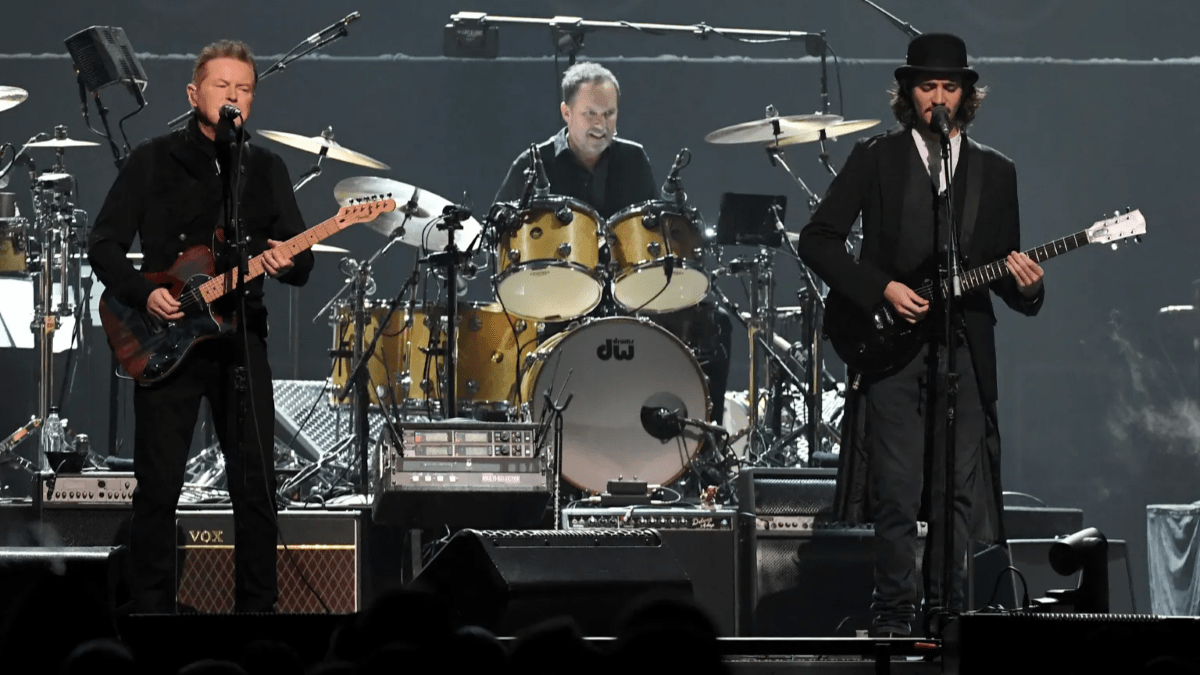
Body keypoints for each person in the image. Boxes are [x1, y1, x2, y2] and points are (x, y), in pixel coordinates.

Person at [796, 33, 1045, 636]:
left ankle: (947, 614)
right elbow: (819, 238)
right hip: (889, 346)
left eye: (950, 87)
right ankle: (894, 614)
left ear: (966, 95)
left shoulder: (995, 171)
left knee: (957, 495)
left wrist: (1030, 286)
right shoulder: (876, 159)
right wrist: (880, 289)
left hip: (962, 347)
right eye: (928, 87)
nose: (939, 98)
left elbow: (1009, 283)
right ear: (909, 93)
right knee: (898, 492)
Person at [89, 40, 315, 613]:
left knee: (256, 490)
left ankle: (257, 616)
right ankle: (151, 614)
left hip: (240, 341)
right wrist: (147, 293)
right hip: (165, 342)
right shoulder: (152, 160)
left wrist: (290, 260)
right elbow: (104, 245)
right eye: (222, 86)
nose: (234, 95)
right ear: (194, 94)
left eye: (244, 88)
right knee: (159, 490)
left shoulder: (265, 168)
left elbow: (300, 261)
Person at [494, 62, 732, 421]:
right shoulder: (533, 163)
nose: (600, 124)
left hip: (627, 296)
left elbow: (652, 233)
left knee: (717, 324)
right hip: (557, 304)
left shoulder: (633, 159)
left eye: (609, 113)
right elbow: (498, 231)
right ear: (566, 112)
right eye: (590, 113)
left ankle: (702, 440)